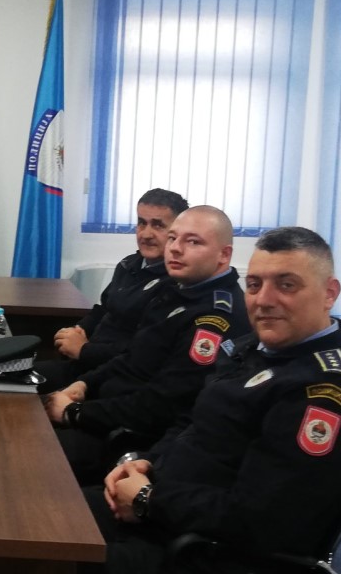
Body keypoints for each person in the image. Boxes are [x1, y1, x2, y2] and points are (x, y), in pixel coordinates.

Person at [89, 227, 341, 574]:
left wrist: (148, 499)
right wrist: (144, 462)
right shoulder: (255, 349)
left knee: (42, 551)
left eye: (286, 285)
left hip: (198, 553)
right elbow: (193, 423)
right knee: (46, 508)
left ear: (329, 293)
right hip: (162, 510)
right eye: (254, 284)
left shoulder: (322, 391)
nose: (263, 300)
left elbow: (263, 519)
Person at [44, 206, 252, 483]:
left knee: (29, 452)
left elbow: (160, 406)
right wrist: (84, 384)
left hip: (134, 440)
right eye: (173, 238)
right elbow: (131, 358)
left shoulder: (213, 319)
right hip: (110, 410)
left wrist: (75, 414)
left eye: (193, 242)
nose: (175, 248)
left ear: (223, 255)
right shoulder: (177, 290)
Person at [37, 189, 189, 394]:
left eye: (158, 225)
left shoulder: (176, 284)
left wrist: (85, 350)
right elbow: (103, 309)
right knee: (9, 376)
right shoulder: (129, 264)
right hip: (85, 365)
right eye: (141, 223)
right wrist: (77, 331)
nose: (146, 234)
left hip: (116, 380)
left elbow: (141, 352)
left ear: (177, 233)